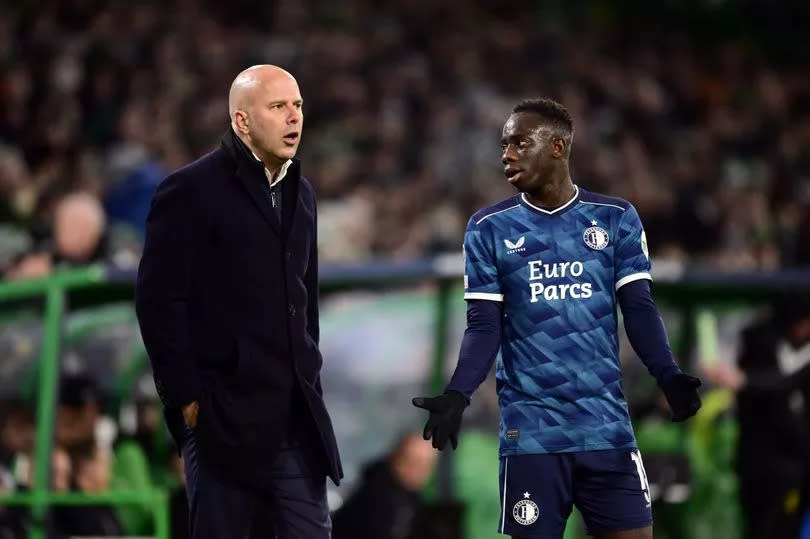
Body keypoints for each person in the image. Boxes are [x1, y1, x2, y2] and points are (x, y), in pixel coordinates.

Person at [413, 98, 702, 539]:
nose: (506, 154)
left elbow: (639, 308)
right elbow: (484, 326)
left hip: (605, 430)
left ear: (557, 147)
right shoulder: (488, 228)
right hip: (532, 436)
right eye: (504, 144)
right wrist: (458, 393)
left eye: (520, 143)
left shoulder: (615, 218)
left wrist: (668, 375)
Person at [135, 64, 342, 538]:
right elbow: (158, 301)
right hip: (222, 419)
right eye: (278, 107)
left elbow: (303, 302)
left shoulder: (302, 195)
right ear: (243, 122)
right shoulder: (189, 191)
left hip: (294, 418)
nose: (294, 117)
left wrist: (309, 377)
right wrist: (187, 399)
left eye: (298, 106)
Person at [733, 293, 810, 539]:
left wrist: (743, 381)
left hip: (796, 459)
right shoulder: (760, 342)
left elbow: (787, 382)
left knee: (787, 523)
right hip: (761, 457)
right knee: (760, 524)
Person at [332, 433, 437, 539]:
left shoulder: (411, 498)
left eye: (426, 464)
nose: (418, 470)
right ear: (396, 457)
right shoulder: (376, 496)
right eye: (413, 461)